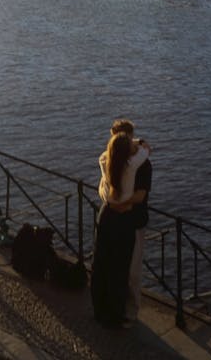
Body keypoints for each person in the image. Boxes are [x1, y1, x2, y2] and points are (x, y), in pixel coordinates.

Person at [90, 130, 150, 328]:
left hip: (106, 217)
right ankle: (120, 313)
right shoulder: (132, 167)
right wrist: (139, 143)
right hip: (124, 222)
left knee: (102, 265)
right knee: (120, 269)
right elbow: (145, 152)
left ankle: (100, 308)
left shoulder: (106, 162)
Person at [109, 118, 152, 322]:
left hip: (131, 219)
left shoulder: (140, 164)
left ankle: (130, 311)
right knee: (123, 266)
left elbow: (141, 195)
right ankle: (122, 307)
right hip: (124, 218)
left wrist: (119, 203)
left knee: (132, 269)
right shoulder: (118, 159)